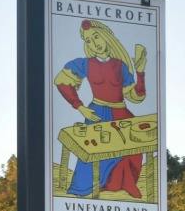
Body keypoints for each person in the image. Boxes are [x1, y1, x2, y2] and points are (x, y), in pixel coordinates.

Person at [53, 18, 148, 199]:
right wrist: (80, 106)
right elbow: (62, 82)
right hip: (97, 112)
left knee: (133, 150)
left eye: (96, 37)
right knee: (93, 150)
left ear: (106, 37)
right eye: (88, 40)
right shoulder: (85, 64)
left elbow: (136, 96)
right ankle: (89, 188)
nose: (94, 43)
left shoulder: (120, 66)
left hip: (121, 114)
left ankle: (124, 185)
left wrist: (141, 72)